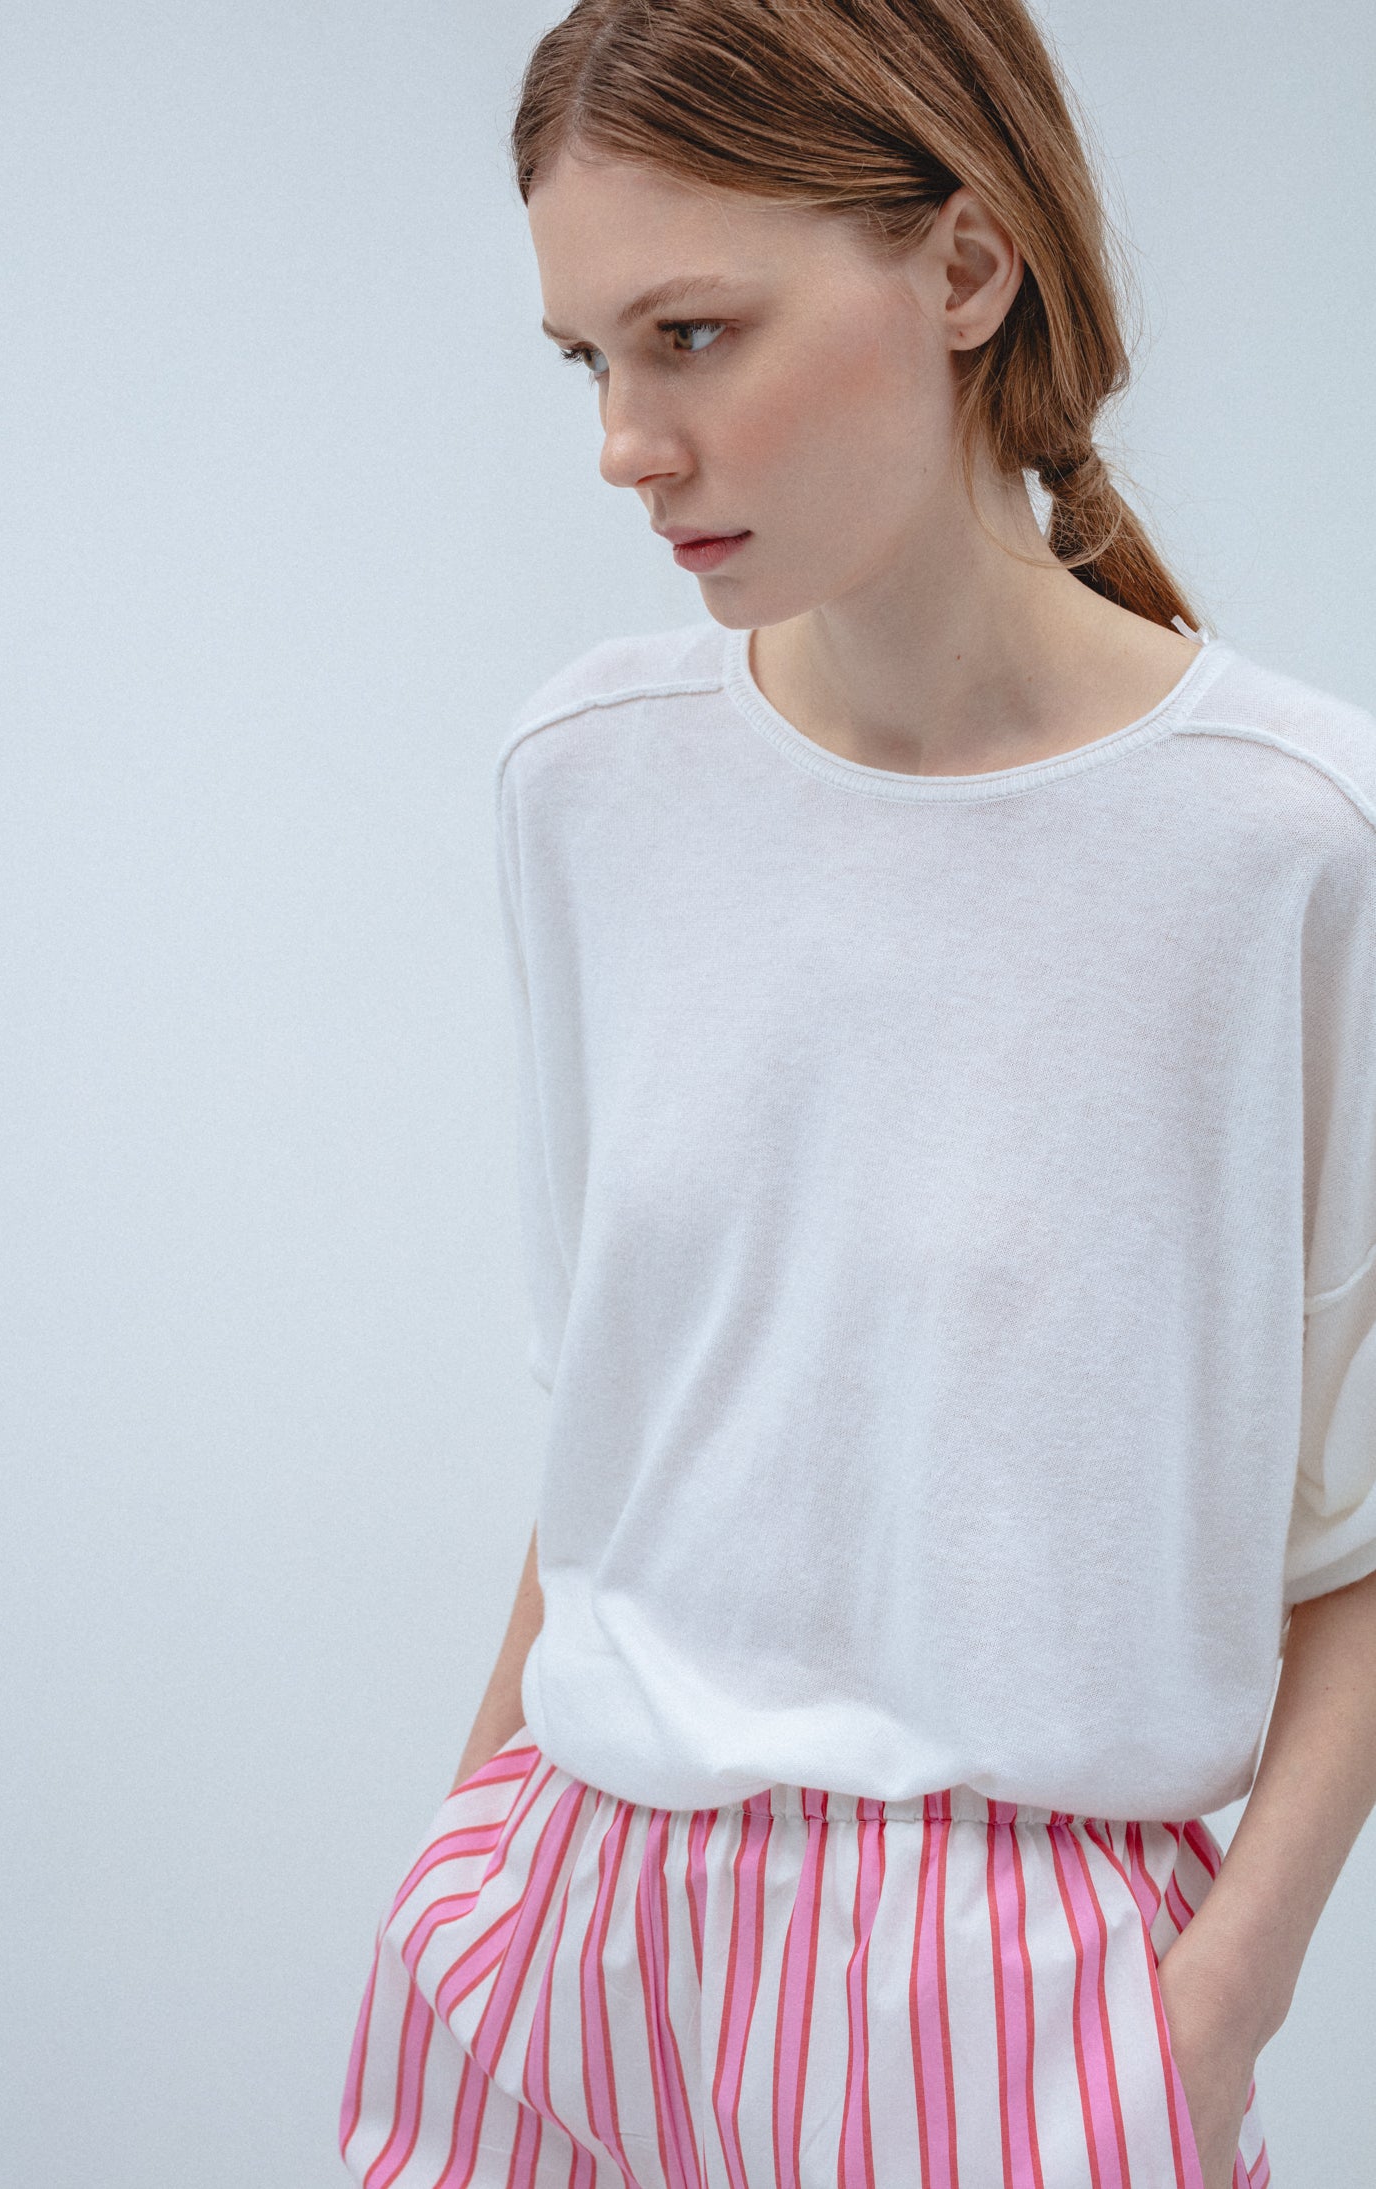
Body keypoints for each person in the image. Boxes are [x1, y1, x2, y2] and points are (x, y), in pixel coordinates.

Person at [339, 3, 1376, 2183]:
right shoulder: (585, 781)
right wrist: (457, 1866)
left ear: (968, 267)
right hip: (561, 1940)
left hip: (1014, 2021)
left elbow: (1365, 1527)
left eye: (691, 336)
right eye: (588, 359)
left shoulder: (1289, 843)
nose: (627, 444)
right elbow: (622, 1421)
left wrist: (1213, 2009)